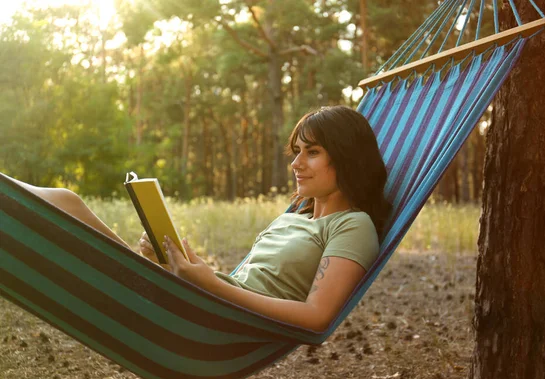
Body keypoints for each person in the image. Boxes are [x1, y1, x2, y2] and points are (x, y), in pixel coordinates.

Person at [7, 105, 391, 332]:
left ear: (345, 157)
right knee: (64, 201)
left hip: (211, 323)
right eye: (297, 151)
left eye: (312, 152)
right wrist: (177, 266)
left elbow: (317, 316)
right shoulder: (296, 215)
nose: (295, 163)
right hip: (199, 302)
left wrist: (209, 285)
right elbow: (244, 282)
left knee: (67, 203)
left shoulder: (352, 225)